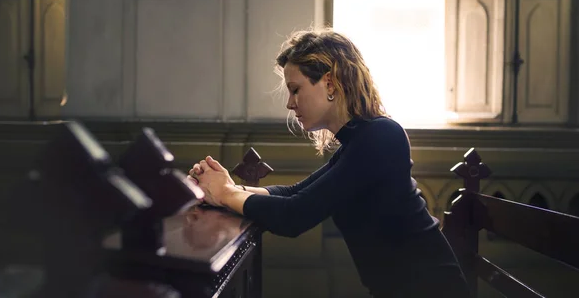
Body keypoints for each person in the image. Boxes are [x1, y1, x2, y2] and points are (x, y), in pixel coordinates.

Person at [187, 29, 470, 297]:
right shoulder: (359, 140)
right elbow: (293, 193)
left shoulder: (381, 135)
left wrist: (225, 194)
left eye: (295, 89)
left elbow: (294, 215)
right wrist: (226, 188)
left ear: (330, 82)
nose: (289, 103)